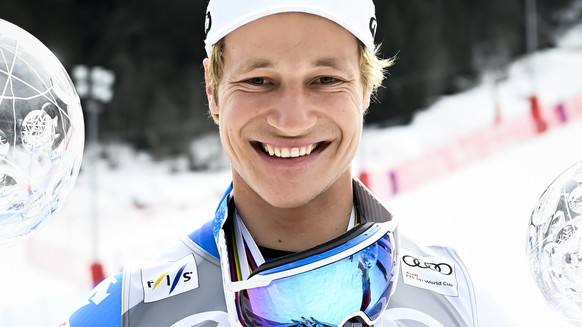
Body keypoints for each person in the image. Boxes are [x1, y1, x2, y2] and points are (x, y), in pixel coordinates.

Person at [62, 0, 513, 326]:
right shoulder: (130, 310)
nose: (292, 120)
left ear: (365, 88)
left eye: (325, 79)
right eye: (259, 80)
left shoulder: (453, 298)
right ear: (212, 89)